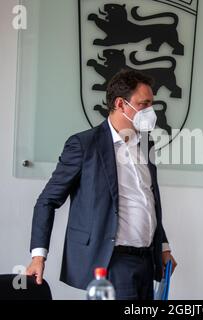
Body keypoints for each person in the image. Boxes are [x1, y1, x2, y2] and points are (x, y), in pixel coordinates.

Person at [26, 70, 177, 300]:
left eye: (151, 104)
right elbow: (47, 200)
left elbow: (148, 201)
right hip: (112, 261)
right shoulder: (84, 145)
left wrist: (164, 248)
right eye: (143, 104)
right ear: (120, 104)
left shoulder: (145, 144)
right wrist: (38, 256)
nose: (149, 111)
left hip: (147, 261)